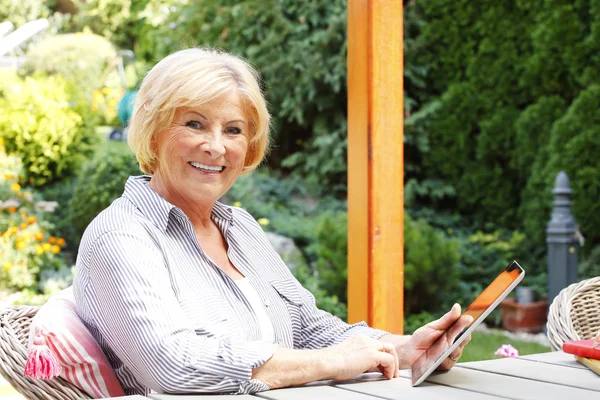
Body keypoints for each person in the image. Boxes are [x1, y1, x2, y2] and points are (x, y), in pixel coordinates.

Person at [73, 48, 472, 396]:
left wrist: (402, 348)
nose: (215, 146)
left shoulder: (240, 229)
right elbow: (172, 363)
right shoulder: (121, 235)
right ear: (155, 132)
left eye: (233, 130)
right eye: (194, 124)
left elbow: (307, 326)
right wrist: (327, 364)